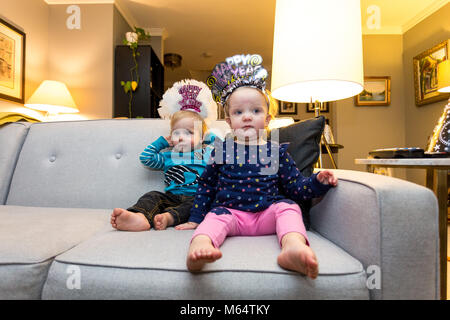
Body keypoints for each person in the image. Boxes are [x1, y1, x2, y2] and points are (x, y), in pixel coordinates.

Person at [178, 54, 338, 279]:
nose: (246, 117)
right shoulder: (222, 150)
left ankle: (292, 247)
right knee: (212, 219)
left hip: (266, 215)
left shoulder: (275, 151)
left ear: (268, 118)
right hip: (230, 214)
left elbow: (296, 187)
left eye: (255, 111)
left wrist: (318, 182)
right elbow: (206, 186)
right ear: (228, 122)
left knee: (289, 208)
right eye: (238, 112)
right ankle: (200, 247)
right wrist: (195, 218)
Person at [110, 79, 218, 231]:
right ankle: (140, 217)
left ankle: (168, 217)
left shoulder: (206, 153)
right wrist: (162, 142)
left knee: (199, 204)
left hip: (197, 197)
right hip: (171, 197)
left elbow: (227, 152)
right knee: (152, 195)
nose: (181, 137)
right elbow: (146, 158)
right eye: (176, 132)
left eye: (189, 132)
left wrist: (210, 138)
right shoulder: (168, 156)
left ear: (201, 138)